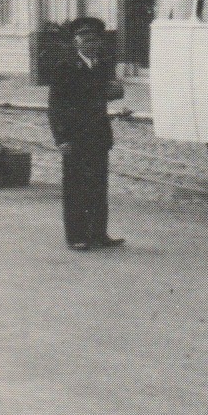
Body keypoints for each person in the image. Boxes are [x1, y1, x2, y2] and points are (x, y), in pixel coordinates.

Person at [48, 17, 124, 251]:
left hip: (98, 136)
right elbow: (56, 106)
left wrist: (116, 96)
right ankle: (77, 236)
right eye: (85, 39)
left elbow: (104, 95)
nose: (91, 44)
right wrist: (61, 139)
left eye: (95, 39)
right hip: (75, 138)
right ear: (76, 41)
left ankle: (99, 234)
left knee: (98, 186)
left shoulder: (102, 66)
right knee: (75, 188)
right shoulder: (65, 67)